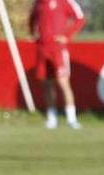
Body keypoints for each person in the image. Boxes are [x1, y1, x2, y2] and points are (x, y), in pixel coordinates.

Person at [29, 0, 86, 129]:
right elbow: (32, 19)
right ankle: (51, 117)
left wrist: (67, 35)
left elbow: (80, 19)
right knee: (47, 84)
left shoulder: (65, 1)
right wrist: (34, 34)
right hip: (43, 49)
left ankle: (71, 118)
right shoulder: (38, 2)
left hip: (58, 49)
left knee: (63, 82)